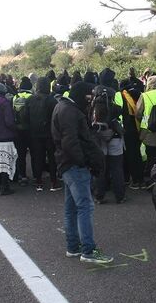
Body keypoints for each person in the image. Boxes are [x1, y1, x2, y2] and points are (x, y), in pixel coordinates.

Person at [51, 81, 113, 265]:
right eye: (89, 96)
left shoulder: (62, 106)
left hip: (65, 164)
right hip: (75, 166)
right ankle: (88, 250)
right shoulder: (70, 111)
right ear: (81, 94)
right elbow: (71, 142)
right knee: (85, 206)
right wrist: (84, 162)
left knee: (71, 208)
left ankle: (73, 247)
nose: (91, 100)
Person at [91, 80, 126, 204]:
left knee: (100, 168)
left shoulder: (92, 108)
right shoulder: (116, 108)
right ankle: (119, 196)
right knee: (116, 168)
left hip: (99, 139)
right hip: (115, 138)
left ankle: (99, 196)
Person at [26, 76, 61, 191]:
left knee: (37, 158)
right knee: (52, 158)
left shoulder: (30, 99)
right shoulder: (52, 100)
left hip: (34, 134)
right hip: (49, 134)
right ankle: (53, 182)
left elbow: (26, 116)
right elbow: (57, 117)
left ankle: (39, 182)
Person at [13, 78, 34, 185]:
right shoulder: (32, 97)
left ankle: (22, 176)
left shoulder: (15, 97)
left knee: (20, 154)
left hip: (18, 131)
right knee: (34, 153)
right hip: (30, 130)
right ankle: (36, 176)